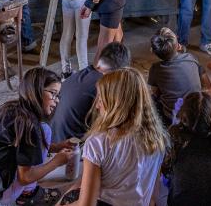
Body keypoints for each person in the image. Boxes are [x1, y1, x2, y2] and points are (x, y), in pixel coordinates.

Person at [60, 68, 168, 206]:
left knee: (68, 195)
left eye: (101, 99)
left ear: (115, 103)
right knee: (77, 186)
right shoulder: (158, 138)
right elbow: (154, 194)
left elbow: (86, 204)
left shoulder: (98, 142)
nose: (97, 106)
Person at [0, 68, 73, 205]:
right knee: (45, 130)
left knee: (43, 130)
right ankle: (27, 194)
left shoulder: (11, 109)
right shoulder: (29, 125)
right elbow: (25, 177)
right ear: (36, 91)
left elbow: (21, 146)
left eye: (58, 95)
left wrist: (57, 147)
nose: (56, 101)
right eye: (53, 93)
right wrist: (56, 162)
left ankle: (21, 191)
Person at [49, 42, 131, 143]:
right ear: (120, 72)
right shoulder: (103, 86)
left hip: (53, 137)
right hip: (69, 147)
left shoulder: (82, 74)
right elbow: (112, 122)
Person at [148, 27, 210, 125]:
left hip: (172, 116)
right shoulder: (191, 58)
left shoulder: (155, 69)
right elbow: (207, 84)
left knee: (151, 100)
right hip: (197, 112)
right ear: (178, 46)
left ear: (154, 51)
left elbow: (156, 93)